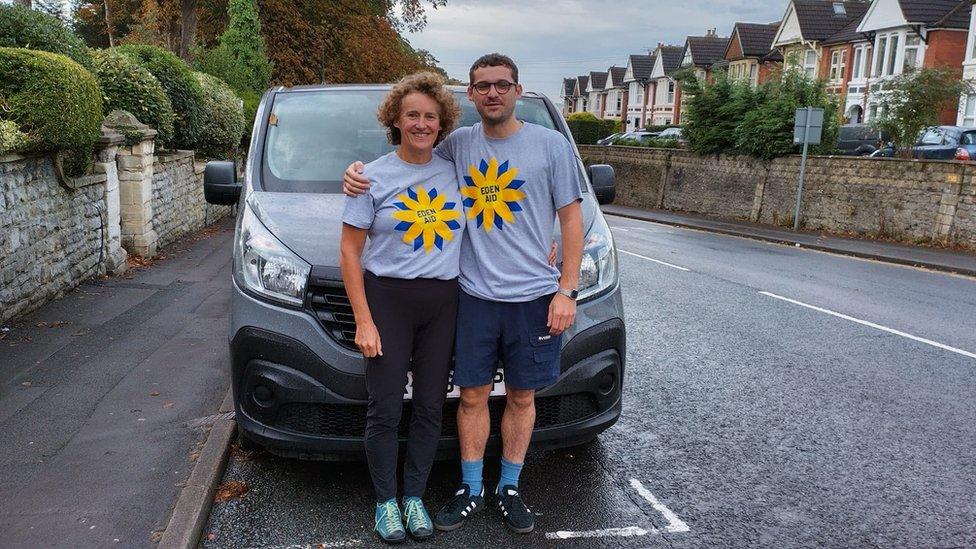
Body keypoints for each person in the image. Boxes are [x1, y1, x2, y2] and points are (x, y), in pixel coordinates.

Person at [344, 53, 585, 534]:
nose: (492, 93)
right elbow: (401, 164)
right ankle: (468, 488)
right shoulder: (457, 147)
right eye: (482, 85)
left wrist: (568, 290)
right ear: (471, 95)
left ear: (517, 89)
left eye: (501, 84)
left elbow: (573, 219)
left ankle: (509, 487)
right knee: (470, 396)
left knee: (520, 395)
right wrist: (352, 173)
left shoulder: (552, 146)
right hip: (472, 294)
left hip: (534, 296)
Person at [339, 71, 464, 544]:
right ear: (395, 118)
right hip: (387, 300)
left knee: (432, 406)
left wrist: (547, 250)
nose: (421, 123)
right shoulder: (370, 177)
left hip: (442, 301)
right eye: (412, 114)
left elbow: (504, 211)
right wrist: (364, 321)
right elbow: (350, 253)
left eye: (431, 116)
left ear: (442, 123)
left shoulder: (456, 169)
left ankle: (414, 497)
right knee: (386, 408)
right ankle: (386, 503)